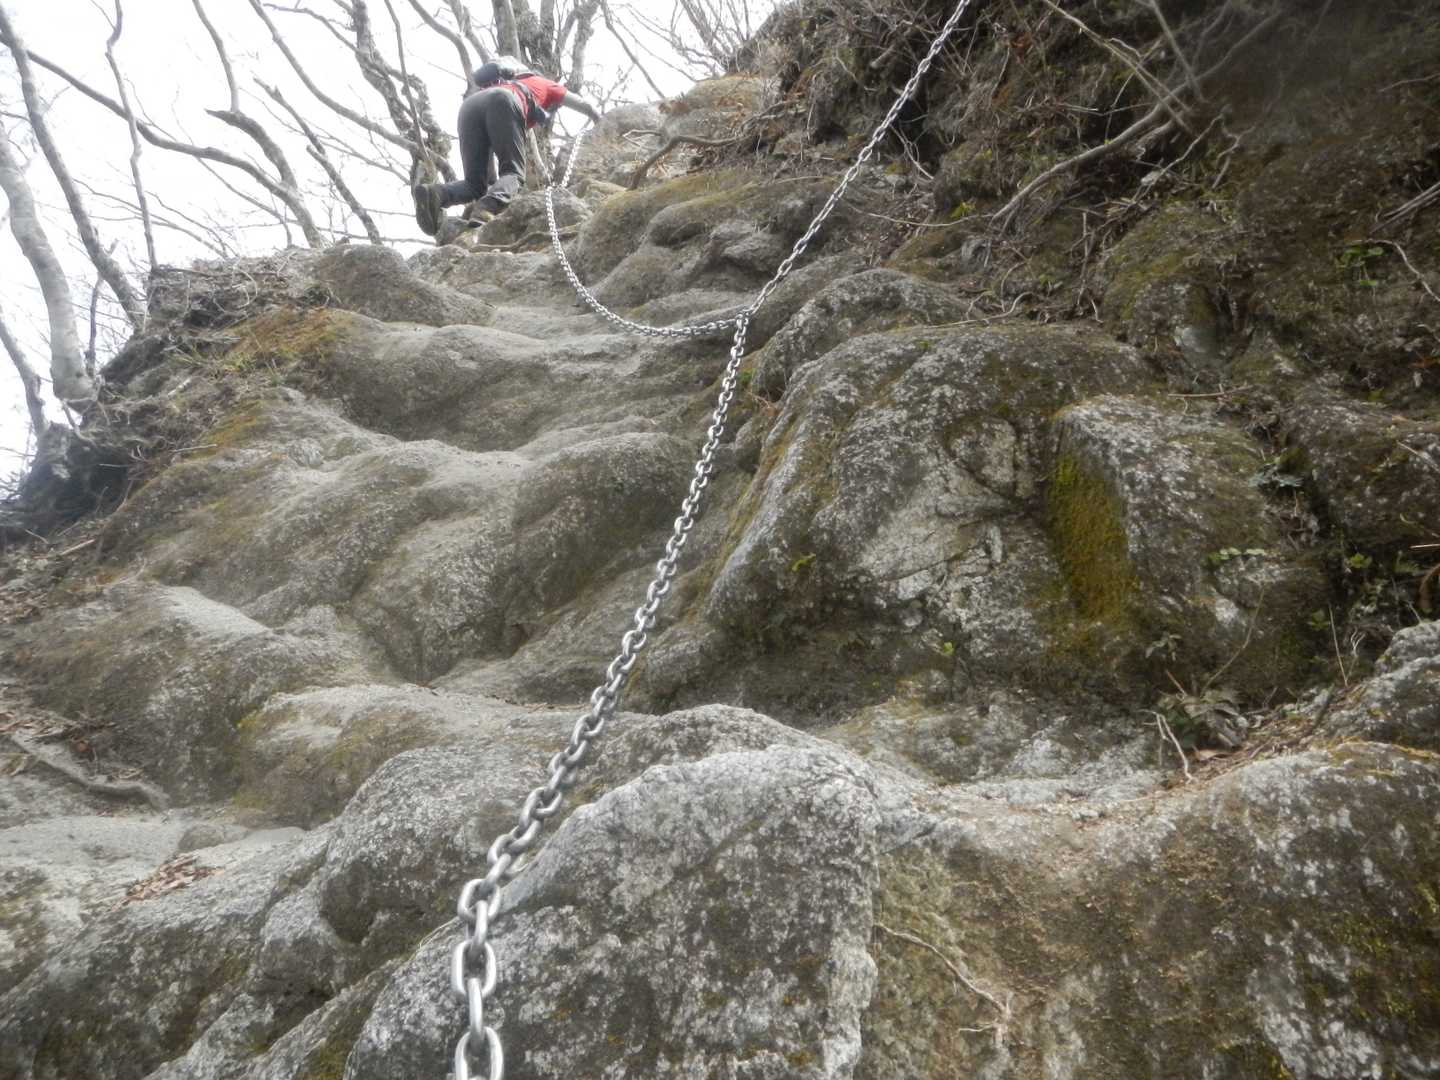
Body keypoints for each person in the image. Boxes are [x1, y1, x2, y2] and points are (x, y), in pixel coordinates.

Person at [412, 56, 602, 236]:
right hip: (503, 101)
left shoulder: (501, 82)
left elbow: (490, 152)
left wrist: (493, 183)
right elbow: (584, 105)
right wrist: (600, 120)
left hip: (469, 107)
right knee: (514, 174)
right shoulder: (544, 83)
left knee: (474, 185)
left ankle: (435, 193)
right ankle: (486, 208)